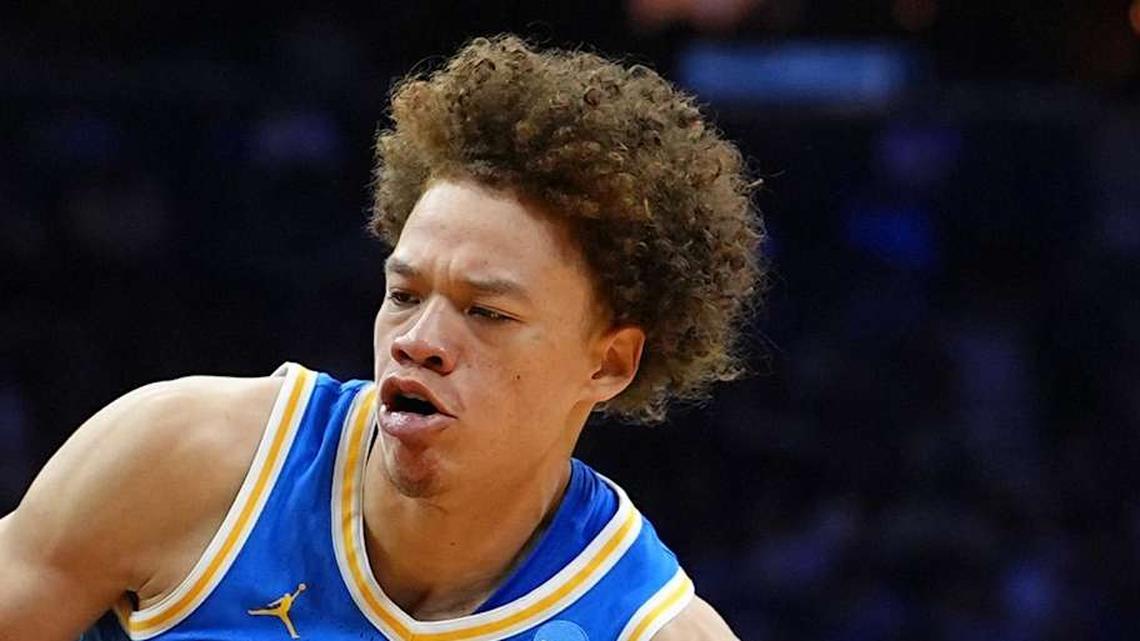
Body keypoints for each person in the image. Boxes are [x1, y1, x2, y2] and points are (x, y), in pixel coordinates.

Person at [0, 35, 761, 641]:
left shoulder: (647, 627)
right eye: (405, 293)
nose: (420, 340)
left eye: (486, 313)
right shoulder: (190, 462)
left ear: (610, 362)